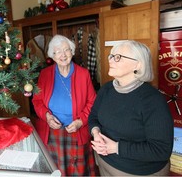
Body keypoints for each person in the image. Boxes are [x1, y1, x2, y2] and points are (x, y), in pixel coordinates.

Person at [88, 40, 173, 176]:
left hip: (137, 172)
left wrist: (115, 147)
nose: (110, 60)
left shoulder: (152, 100)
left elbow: (161, 150)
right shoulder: (106, 89)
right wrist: (95, 133)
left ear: (138, 64)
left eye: (118, 57)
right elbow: (93, 117)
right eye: (111, 56)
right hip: (104, 163)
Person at [32, 34, 97, 176]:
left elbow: (92, 102)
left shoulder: (83, 74)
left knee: (79, 171)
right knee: (56, 170)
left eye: (66, 50)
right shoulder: (45, 74)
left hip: (76, 130)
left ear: (72, 52)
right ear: (52, 56)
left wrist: (81, 121)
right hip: (52, 133)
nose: (62, 55)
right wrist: (47, 117)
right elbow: (37, 101)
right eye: (57, 52)